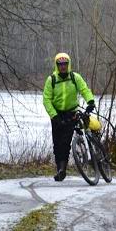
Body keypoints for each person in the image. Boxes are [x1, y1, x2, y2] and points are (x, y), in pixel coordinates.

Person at [43, 52, 95, 181]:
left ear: (68, 64)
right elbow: (46, 100)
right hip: (56, 114)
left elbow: (84, 90)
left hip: (71, 113)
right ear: (56, 65)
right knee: (57, 143)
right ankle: (59, 168)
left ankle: (62, 169)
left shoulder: (74, 77)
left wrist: (90, 101)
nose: (62, 67)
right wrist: (54, 116)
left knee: (65, 143)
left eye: (65, 64)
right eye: (60, 64)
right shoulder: (52, 80)